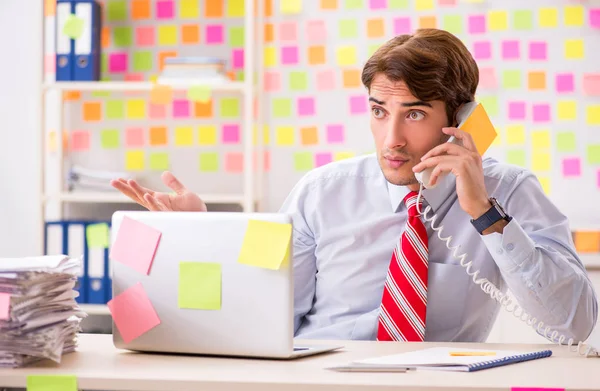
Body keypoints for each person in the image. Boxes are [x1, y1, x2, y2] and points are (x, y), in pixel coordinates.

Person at [112, 29, 597, 344]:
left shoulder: (509, 191)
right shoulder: (319, 191)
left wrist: (485, 214)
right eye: (378, 111)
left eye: (415, 114)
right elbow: (262, 307)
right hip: (319, 386)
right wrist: (203, 237)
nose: (392, 139)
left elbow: (572, 325)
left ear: (461, 119)